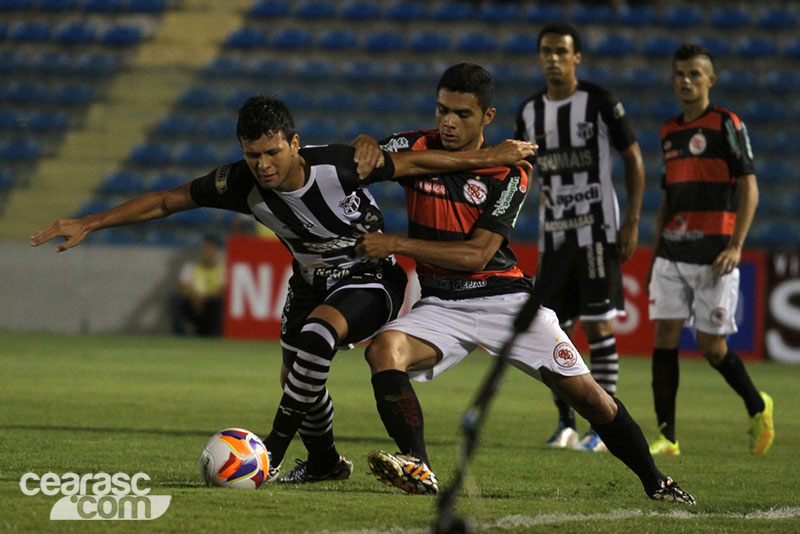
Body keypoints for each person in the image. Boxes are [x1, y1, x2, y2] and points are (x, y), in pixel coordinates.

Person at [30, 96, 536, 485]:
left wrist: (491, 155)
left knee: (317, 339)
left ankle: (270, 448)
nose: (264, 165)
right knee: (298, 376)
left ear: (294, 143)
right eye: (253, 155)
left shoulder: (338, 164)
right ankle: (323, 462)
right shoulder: (239, 185)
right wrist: (92, 221)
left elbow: (419, 165)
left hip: (369, 273)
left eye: (272, 152)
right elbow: (167, 201)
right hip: (310, 283)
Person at [352, 63, 694, 504]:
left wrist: (395, 242)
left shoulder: (513, 171)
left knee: (591, 400)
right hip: (441, 304)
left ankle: (657, 482)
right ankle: (417, 462)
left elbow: (477, 254)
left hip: (505, 300)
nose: (448, 122)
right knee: (384, 351)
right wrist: (361, 144)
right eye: (442, 111)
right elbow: (364, 157)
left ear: (488, 117)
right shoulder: (416, 143)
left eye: (462, 114)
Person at [514, 22, 645, 452]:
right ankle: (565, 424)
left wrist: (630, 224)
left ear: (576, 57)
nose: (552, 58)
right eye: (546, 51)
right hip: (554, 239)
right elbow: (525, 173)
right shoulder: (530, 112)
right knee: (553, 332)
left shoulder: (600, 103)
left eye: (560, 51)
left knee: (598, 324)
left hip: (597, 234)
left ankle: (600, 431)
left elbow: (634, 161)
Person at [647, 44, 774, 457]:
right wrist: (656, 245)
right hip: (672, 250)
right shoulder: (668, 131)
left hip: (715, 252)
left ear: (710, 80)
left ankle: (758, 405)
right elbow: (668, 192)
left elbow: (749, 186)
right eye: (679, 74)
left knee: (711, 347)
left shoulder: (726, 124)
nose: (685, 81)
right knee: (663, 340)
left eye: (694, 75)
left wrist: (737, 245)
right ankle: (667, 437)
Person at [172, 233, 225, 337]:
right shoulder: (191, 266)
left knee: (220, 302)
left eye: (210, 249)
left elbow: (222, 290)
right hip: (192, 303)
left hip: (210, 304)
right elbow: (182, 287)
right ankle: (180, 334)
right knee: (175, 300)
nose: (207, 252)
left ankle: (217, 335)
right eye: (205, 248)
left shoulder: (223, 268)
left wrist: (203, 298)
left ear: (216, 251)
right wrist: (194, 299)